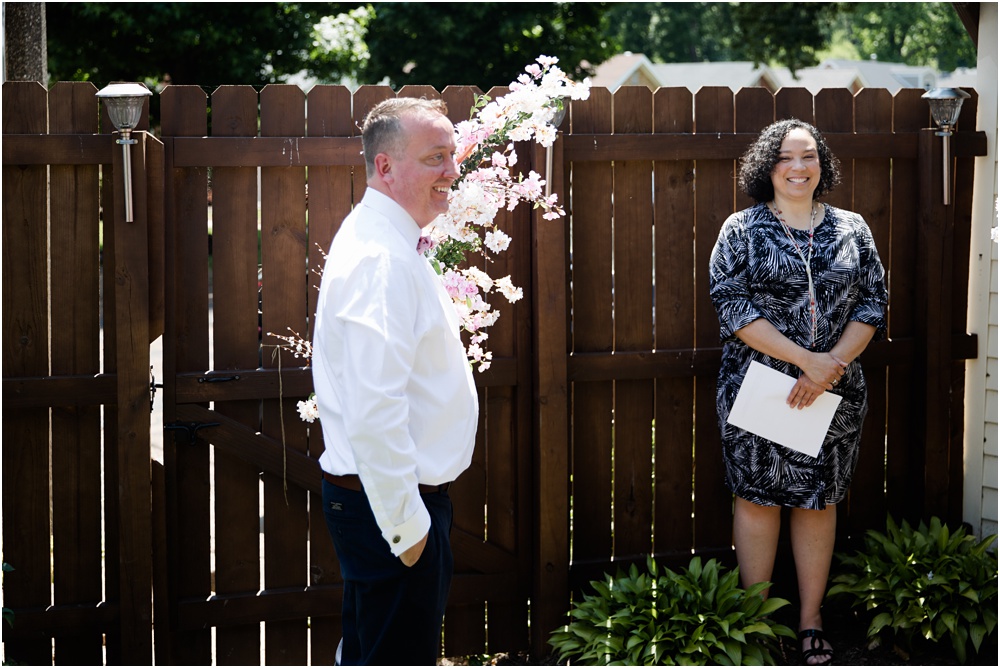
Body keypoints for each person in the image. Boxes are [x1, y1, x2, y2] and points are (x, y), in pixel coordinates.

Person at [708, 119, 887, 666]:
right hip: (759, 391)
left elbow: (873, 303)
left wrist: (828, 368)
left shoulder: (851, 228)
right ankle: (757, 622)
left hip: (834, 392)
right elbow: (732, 304)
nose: (799, 167)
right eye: (786, 157)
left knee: (818, 500)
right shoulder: (741, 229)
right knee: (757, 498)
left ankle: (811, 621)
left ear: (822, 165)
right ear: (768, 166)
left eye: (809, 157)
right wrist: (806, 361)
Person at [310, 97, 479, 665]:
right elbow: (373, 407)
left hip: (390, 506)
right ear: (385, 167)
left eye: (452, 155)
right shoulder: (378, 259)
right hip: (394, 514)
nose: (452, 170)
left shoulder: (386, 237)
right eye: (436, 157)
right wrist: (409, 531)